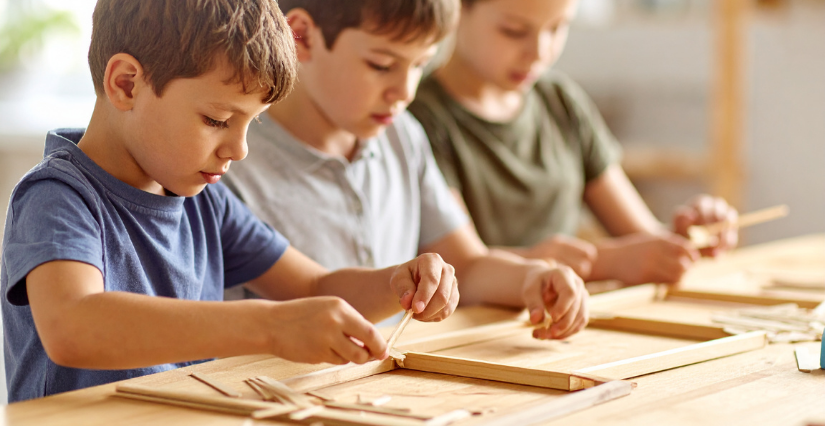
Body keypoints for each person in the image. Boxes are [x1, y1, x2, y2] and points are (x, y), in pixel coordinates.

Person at [1, 0, 459, 403]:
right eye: (217, 119)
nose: (239, 150)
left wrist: (398, 282)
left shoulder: (205, 202)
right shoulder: (59, 196)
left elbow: (315, 287)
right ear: (125, 84)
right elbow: (73, 326)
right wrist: (269, 326)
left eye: (251, 124)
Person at [224, 0, 589, 342]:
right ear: (300, 35)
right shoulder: (229, 158)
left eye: (419, 66)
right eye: (381, 65)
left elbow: (468, 263)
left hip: (383, 385)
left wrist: (533, 278)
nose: (404, 91)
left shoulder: (402, 134)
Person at [408, 0, 739, 286]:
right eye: (513, 31)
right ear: (459, 10)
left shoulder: (561, 102)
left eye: (556, 28)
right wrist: (605, 263)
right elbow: (463, 269)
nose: (538, 52)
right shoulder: (418, 119)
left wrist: (689, 236)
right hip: (465, 336)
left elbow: (641, 236)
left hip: (563, 324)